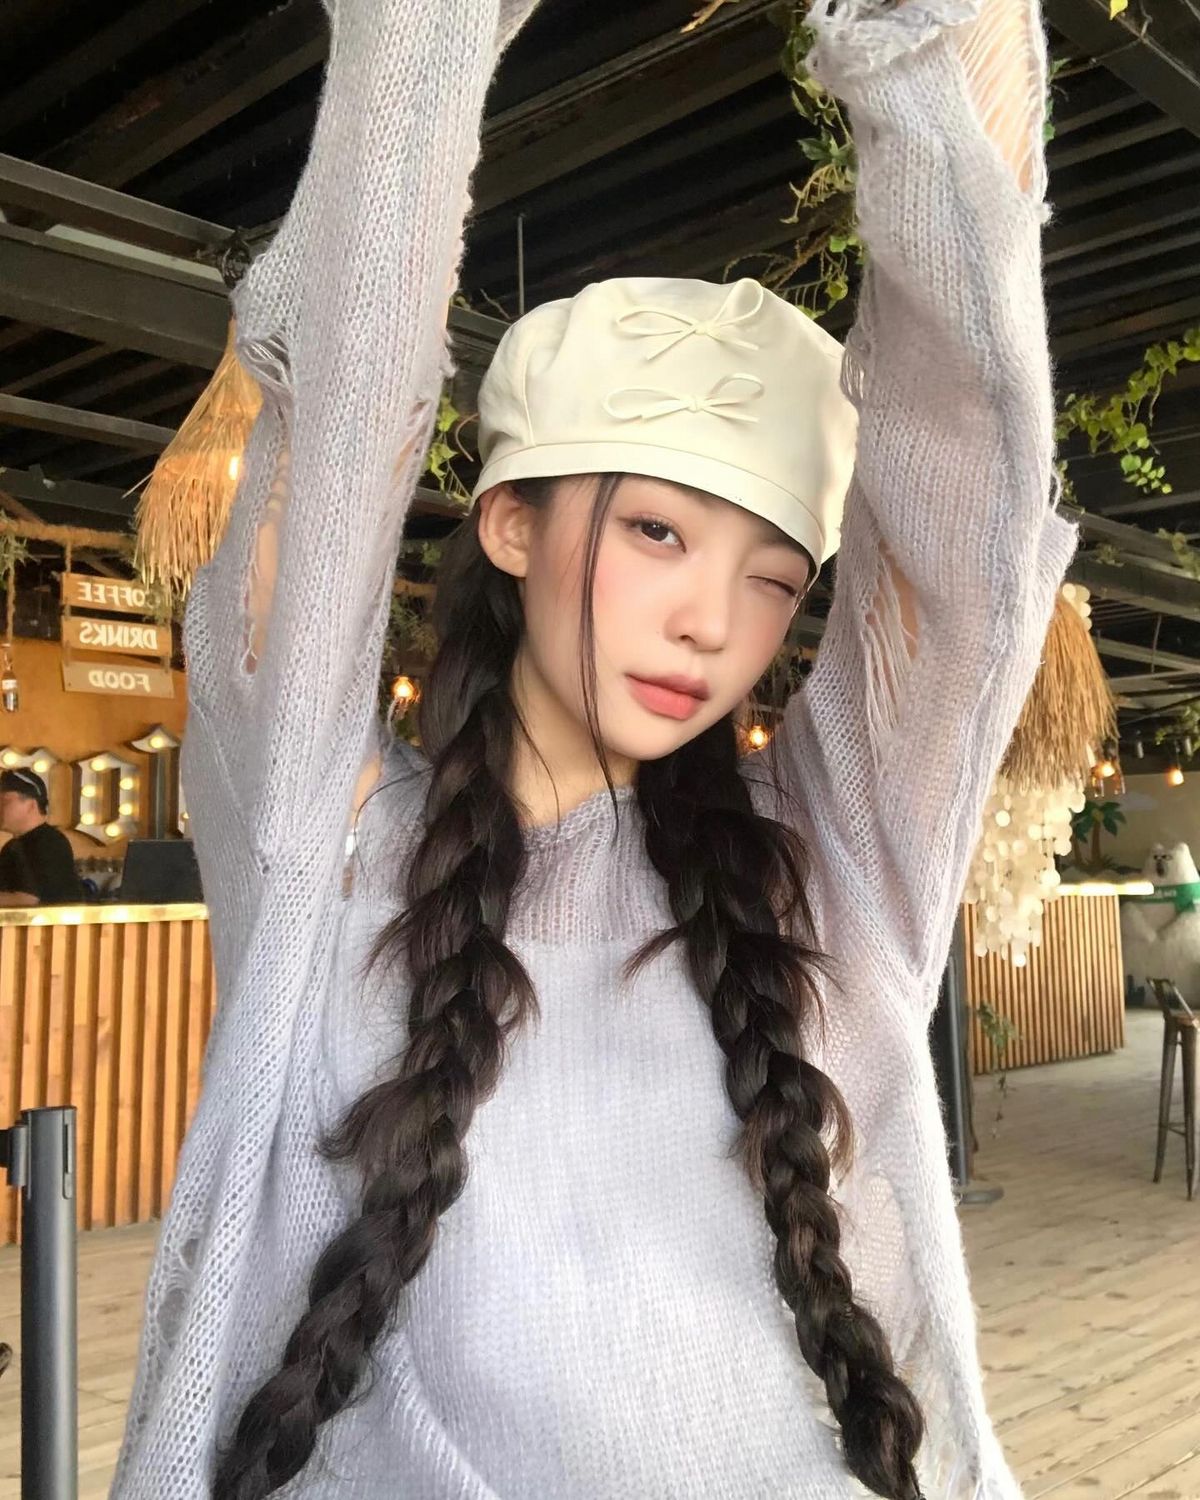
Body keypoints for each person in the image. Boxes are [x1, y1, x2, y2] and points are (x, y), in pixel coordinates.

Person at [112, 0, 1077, 1496]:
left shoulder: (832, 867)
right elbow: (346, 384)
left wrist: (929, 42)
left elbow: (968, 473)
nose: (714, 623)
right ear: (510, 524)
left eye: (773, 580)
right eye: (657, 533)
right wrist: (427, 36)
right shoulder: (329, 849)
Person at [0, 768, 85, 907]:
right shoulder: (15, 846)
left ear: (31, 804)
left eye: (5, 801)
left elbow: (27, 899)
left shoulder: (48, 843)